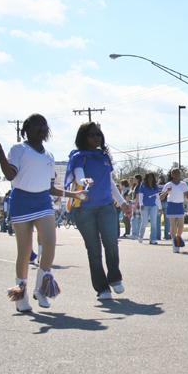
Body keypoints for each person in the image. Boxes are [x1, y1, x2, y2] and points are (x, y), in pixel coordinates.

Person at [0, 114, 85, 313]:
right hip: (22, 202)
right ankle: (20, 295)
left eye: (43, 126)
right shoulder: (18, 149)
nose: (40, 129)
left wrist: (73, 193)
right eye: (35, 126)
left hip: (42, 202)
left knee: (49, 245)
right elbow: (10, 175)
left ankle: (41, 289)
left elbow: (51, 188)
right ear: (26, 129)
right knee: (24, 252)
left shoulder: (49, 156)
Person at [66, 122, 131, 300]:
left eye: (98, 134)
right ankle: (102, 288)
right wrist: (84, 180)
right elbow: (78, 174)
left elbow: (109, 182)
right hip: (84, 209)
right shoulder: (79, 157)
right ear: (83, 138)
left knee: (111, 243)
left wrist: (122, 202)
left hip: (106, 207)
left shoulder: (104, 157)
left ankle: (115, 278)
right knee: (94, 250)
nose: (96, 137)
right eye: (92, 134)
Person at [159, 168, 188, 253]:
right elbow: (161, 197)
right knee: (173, 225)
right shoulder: (168, 184)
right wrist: (167, 191)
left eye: (178, 173)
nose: (177, 174)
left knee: (181, 226)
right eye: (175, 173)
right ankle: (175, 243)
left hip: (179, 205)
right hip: (171, 205)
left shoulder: (183, 184)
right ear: (171, 174)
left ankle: (177, 239)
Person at [136, 172, 162, 244]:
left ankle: (152, 239)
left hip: (153, 206)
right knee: (144, 222)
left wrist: (160, 207)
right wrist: (141, 204)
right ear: (146, 178)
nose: (150, 179)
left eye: (152, 177)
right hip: (145, 206)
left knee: (153, 222)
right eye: (149, 177)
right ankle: (141, 236)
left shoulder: (155, 186)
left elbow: (157, 198)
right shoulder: (143, 186)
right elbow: (140, 196)